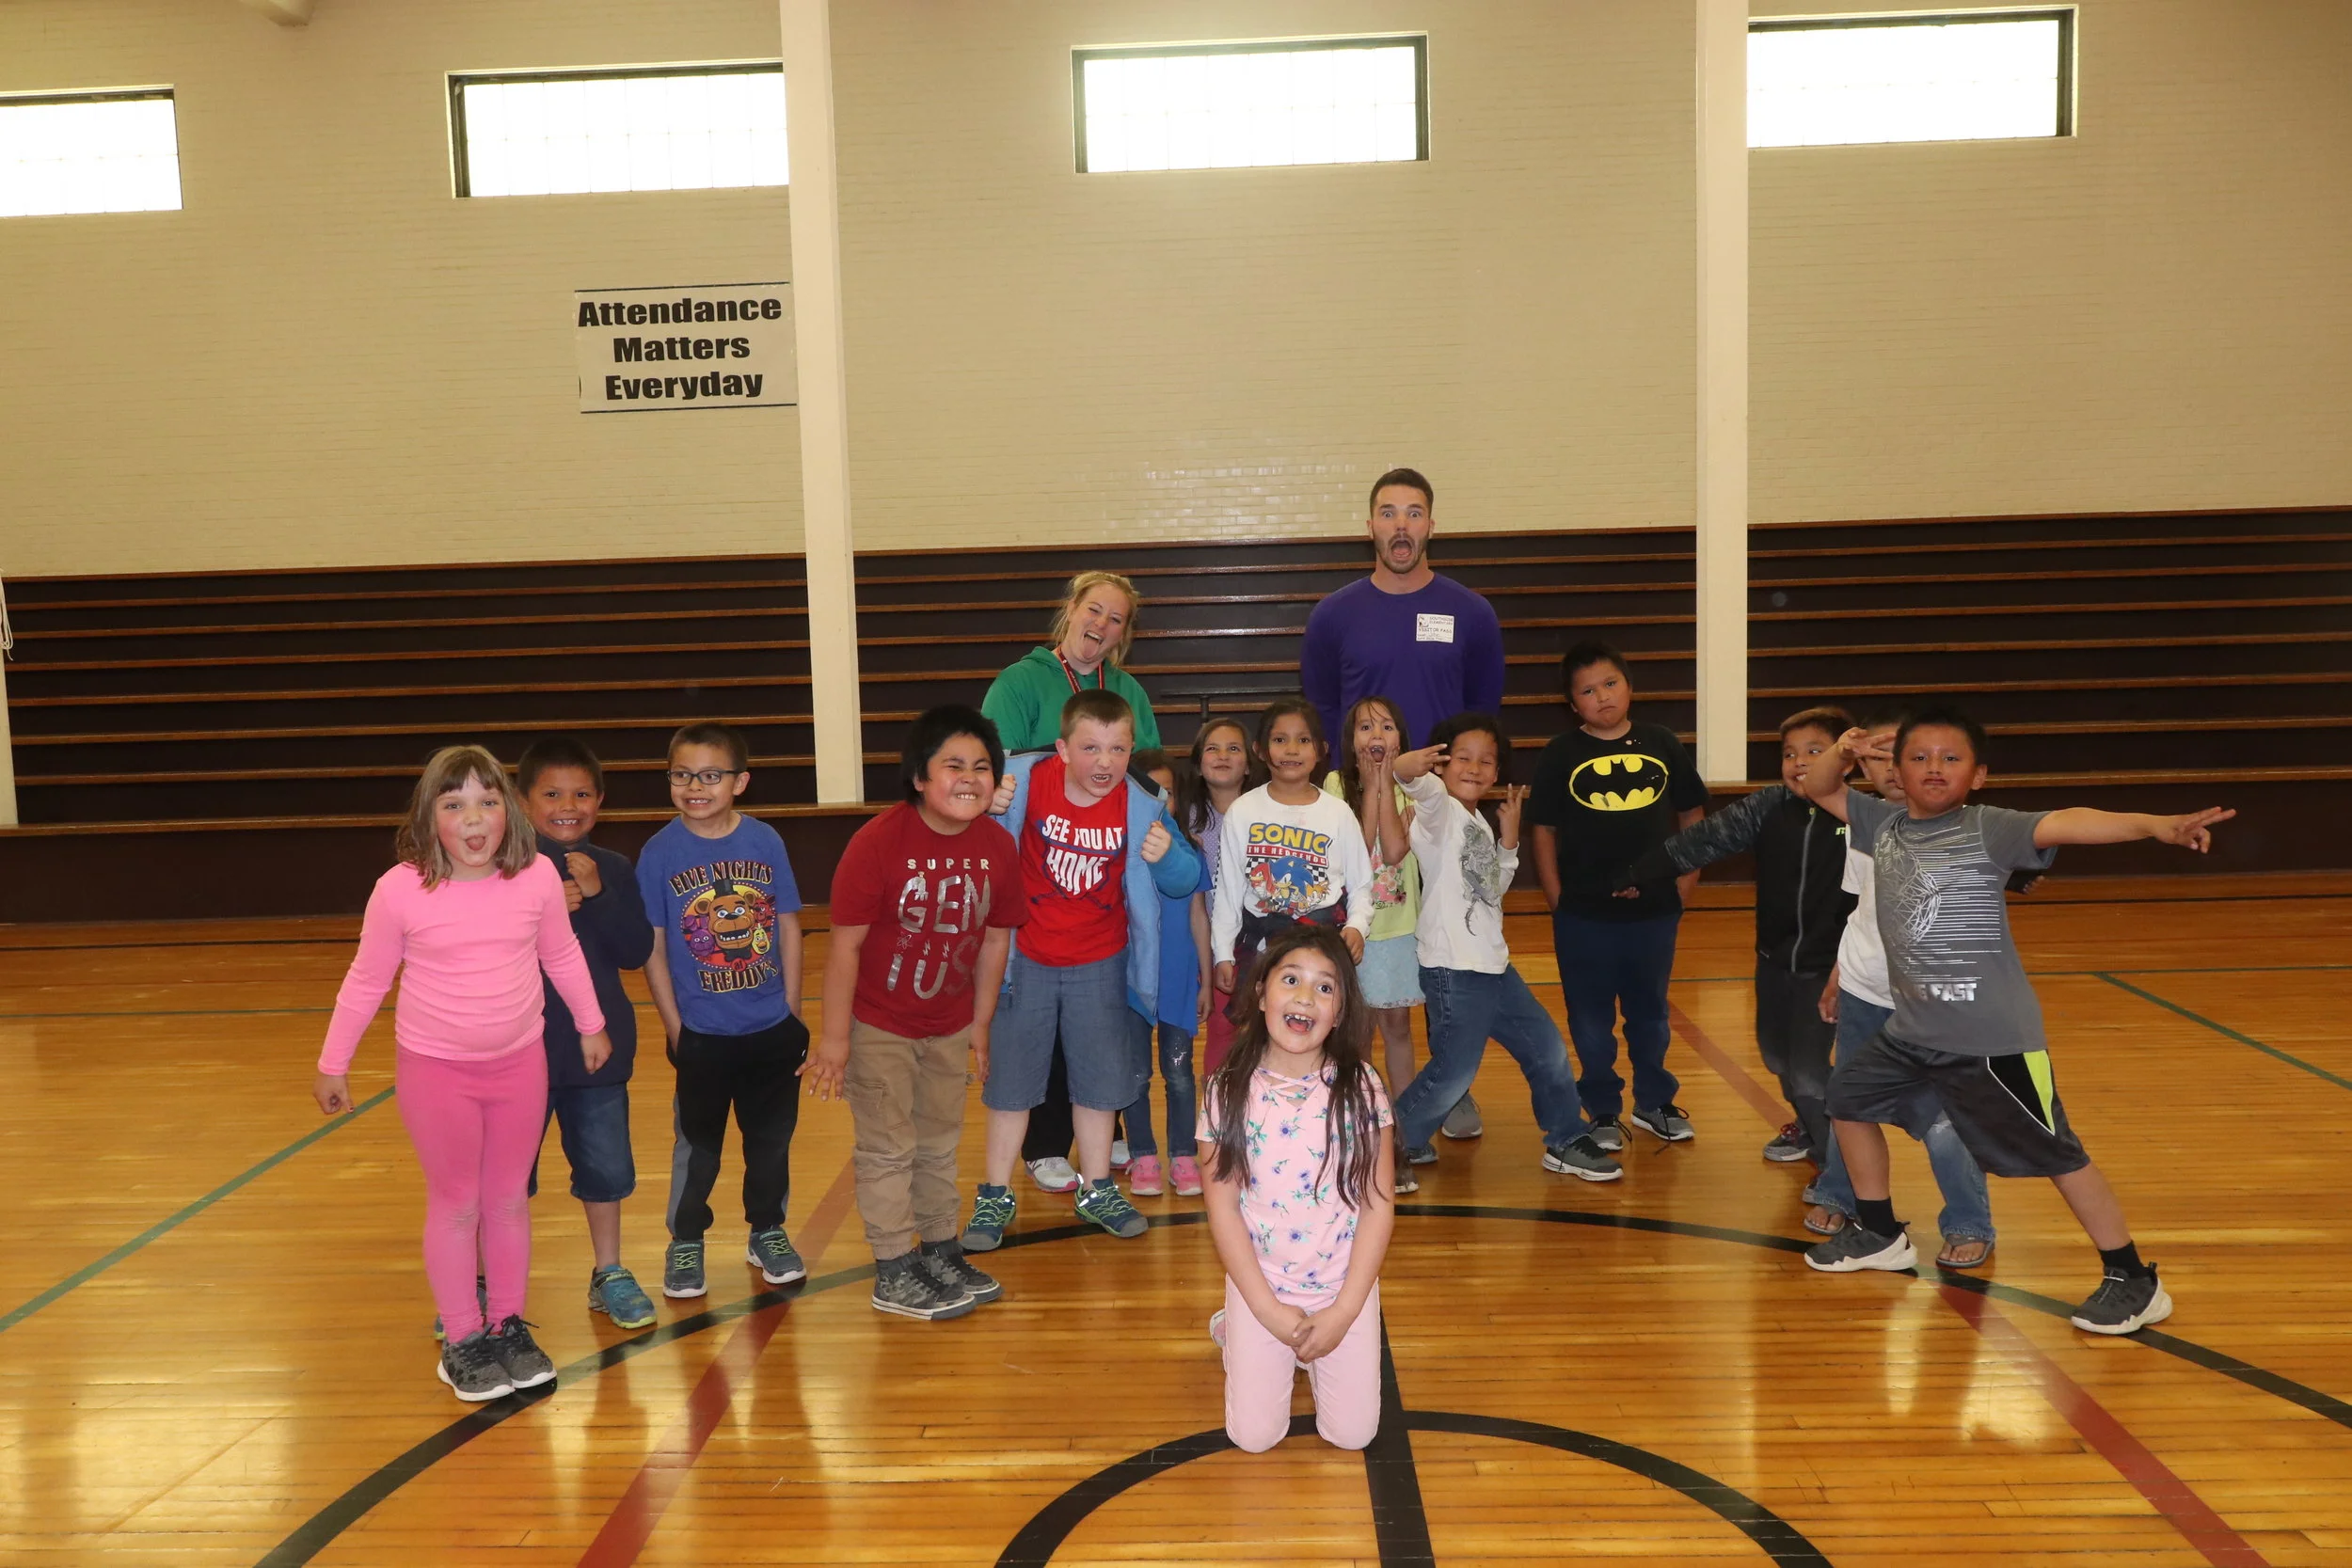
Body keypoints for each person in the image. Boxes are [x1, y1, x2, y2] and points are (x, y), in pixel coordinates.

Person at [1793, 705, 2232, 1333]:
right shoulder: (1880, 824)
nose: (1934, 768)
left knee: (2059, 1155)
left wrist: (2155, 825)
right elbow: (1818, 785)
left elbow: (2071, 822)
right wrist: (1846, 744)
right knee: (1848, 1100)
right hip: (1911, 1034)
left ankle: (2134, 1276)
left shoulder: (1988, 829)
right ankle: (1883, 1232)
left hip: (1993, 1041)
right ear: (1894, 769)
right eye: (1918, 757)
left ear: (1979, 775)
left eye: (1951, 758)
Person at [313, 745, 611, 1402]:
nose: (473, 820)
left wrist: (591, 1023)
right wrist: (333, 1061)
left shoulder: (534, 876)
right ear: (430, 817)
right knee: (457, 1203)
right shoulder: (400, 890)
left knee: (507, 1198)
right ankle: (463, 1336)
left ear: (509, 811)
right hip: (437, 1072)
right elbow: (366, 981)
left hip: (520, 1064)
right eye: (454, 805)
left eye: (487, 801)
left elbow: (560, 953)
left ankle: (506, 1324)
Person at [801, 706, 1024, 1321]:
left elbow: (997, 939)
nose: (970, 777)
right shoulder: (877, 843)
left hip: (949, 1026)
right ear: (920, 776)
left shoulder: (998, 847)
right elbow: (843, 945)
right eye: (953, 764)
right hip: (880, 1026)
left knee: (939, 1144)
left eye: (982, 766)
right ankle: (894, 1264)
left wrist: (978, 1025)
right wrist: (836, 1040)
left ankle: (939, 1248)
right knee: (888, 1147)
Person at [1300, 468, 1502, 1142]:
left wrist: (1439, 780)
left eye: (1414, 513)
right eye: (1388, 513)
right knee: (1370, 949)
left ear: (1432, 526)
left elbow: (1482, 715)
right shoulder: (1334, 613)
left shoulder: (1471, 612)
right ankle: (1349, 1095)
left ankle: (1451, 1084)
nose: (1401, 526)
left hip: (1443, 813)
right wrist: (1365, 785)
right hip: (1364, 810)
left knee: (1450, 952)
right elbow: (1326, 710)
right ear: (1370, 527)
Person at [961, 689, 1202, 1247]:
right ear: (1062, 749)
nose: (1105, 762)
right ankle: (994, 1194)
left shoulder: (1144, 800)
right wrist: (984, 801)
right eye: (1090, 748)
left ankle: (1097, 1188)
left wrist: (1168, 855)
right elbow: (959, 818)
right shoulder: (1017, 781)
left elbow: (1185, 880)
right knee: (1012, 1086)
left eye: (1118, 749)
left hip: (1102, 962)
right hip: (1026, 962)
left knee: (1098, 1085)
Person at [1612, 708, 1857, 1168]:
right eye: (1789, 754)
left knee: (1808, 1072)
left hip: (1830, 969)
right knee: (1777, 1057)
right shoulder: (1768, 807)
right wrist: (1638, 874)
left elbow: (1934, 837)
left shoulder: (1862, 815)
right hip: (1774, 960)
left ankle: (1839, 1172)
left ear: (1846, 762)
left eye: (1814, 752)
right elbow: (1702, 840)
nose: (1799, 762)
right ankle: (1809, 1127)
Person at [982, 570, 1159, 1195]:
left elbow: (1153, 775)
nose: (1102, 625)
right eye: (1094, 610)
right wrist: (999, 788)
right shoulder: (1019, 680)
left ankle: (1095, 1132)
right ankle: (1042, 1138)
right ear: (1072, 610)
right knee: (1035, 1020)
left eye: (1116, 618)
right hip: (1038, 876)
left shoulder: (1129, 689)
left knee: (1095, 1018)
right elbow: (993, 769)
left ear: (1125, 632)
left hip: (1104, 882)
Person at [1389, 716, 1621, 1190]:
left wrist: (1509, 841)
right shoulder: (1438, 813)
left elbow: (1491, 889)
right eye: (1463, 757)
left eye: (1485, 760)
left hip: (1494, 967)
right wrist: (1405, 769)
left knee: (1548, 1050)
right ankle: (1386, 1148)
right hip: (1454, 969)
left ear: (1496, 774)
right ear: (1443, 763)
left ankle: (1566, 1138)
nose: (1474, 767)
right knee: (1453, 1074)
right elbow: (1417, 785)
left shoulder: (1474, 820)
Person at [1803, 709, 1996, 1270]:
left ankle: (1968, 1221)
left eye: (1904, 758)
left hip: (1936, 1008)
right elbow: (1858, 910)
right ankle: (1845, 1198)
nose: (1893, 770)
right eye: (1878, 760)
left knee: (1945, 1122)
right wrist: (1841, 974)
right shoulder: (1865, 826)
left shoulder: (1963, 833)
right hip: (1865, 994)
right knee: (1849, 1104)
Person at [1200, 925, 1396, 1454]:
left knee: (1353, 1435)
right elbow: (1221, 1204)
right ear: (1261, 992)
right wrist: (1263, 1308)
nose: (1305, 996)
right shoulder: (1227, 1088)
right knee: (1255, 1438)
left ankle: (1307, 1343)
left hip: (1340, 1287)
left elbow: (1378, 1205)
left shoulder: (1362, 1088)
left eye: (1325, 987)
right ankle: (1235, 1328)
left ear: (1339, 1011)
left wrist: (1345, 1309)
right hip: (1262, 1285)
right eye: (1291, 979)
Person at [636, 721, 809, 1302]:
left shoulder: (765, 842)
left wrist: (790, 1009)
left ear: (740, 782)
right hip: (702, 1035)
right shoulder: (659, 853)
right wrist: (675, 1027)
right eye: (682, 775)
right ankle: (686, 1238)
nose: (695, 787)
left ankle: (768, 1230)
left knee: (771, 1141)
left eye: (711, 775)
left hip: (770, 1030)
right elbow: (654, 946)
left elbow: (787, 923)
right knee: (699, 1145)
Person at [1528, 641, 1708, 1148]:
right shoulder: (1562, 753)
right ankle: (1603, 1109)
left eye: (1610, 684)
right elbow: (1541, 829)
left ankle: (1654, 1101)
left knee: (1650, 1014)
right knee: (1589, 1020)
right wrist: (1556, 899)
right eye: (1587, 691)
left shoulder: (1662, 742)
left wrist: (1684, 882)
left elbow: (1693, 814)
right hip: (1583, 914)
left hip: (1654, 912)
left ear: (1630, 687)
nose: (1602, 697)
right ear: (1572, 704)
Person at [516, 736, 659, 1331]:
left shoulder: (615, 868)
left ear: (600, 801)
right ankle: (482, 1282)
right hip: (517, 1051)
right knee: (503, 1177)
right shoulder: (506, 871)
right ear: (523, 802)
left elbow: (635, 951)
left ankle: (609, 1271)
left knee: (604, 1169)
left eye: (580, 793)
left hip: (595, 1054)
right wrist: (548, 907)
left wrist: (597, 897)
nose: (566, 804)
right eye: (551, 793)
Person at [1208, 700, 1375, 1072]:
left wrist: (1356, 927)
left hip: (1322, 943)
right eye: (1280, 740)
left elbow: (1363, 884)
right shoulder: (1243, 810)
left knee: (1328, 1040)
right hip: (1261, 945)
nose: (1292, 749)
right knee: (1262, 1040)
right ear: (1260, 750)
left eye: (1303, 740)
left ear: (1321, 749)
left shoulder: (1337, 813)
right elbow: (1229, 890)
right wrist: (1223, 952)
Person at [1324, 696, 1425, 1108]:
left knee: (1398, 1027)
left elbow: (1396, 851)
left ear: (1401, 740)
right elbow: (1359, 848)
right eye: (1365, 728)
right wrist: (1370, 789)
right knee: (1357, 1030)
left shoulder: (1414, 790)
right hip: (1354, 931)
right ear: (1350, 741)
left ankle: (1406, 1122)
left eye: (1386, 726)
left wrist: (1386, 784)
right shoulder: (1335, 785)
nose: (1376, 735)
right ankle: (1362, 1115)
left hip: (1398, 930)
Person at [1120, 749, 1211, 1199]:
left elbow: (1199, 917)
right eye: (1147, 792)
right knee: (1134, 1074)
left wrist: (1208, 979)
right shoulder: (1120, 850)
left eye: (1167, 793)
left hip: (1178, 981)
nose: (1159, 801)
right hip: (1132, 983)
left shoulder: (1188, 852)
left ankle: (1183, 1157)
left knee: (1178, 1073)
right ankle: (1143, 1156)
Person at [1183, 716, 1263, 1084]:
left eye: (1234, 748)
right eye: (1212, 748)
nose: (1222, 756)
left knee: (1267, 1034)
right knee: (1222, 1030)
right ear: (1199, 763)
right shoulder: (1188, 821)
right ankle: (1218, 1116)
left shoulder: (1268, 814)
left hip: (1265, 943)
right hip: (1213, 947)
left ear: (1249, 763)